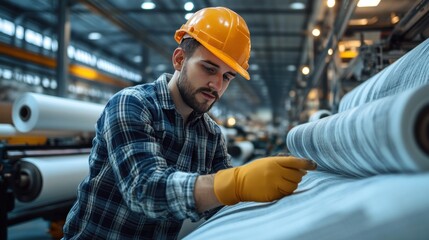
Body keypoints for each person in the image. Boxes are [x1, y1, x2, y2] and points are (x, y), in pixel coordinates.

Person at [62, 6, 316, 240]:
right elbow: (144, 190)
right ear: (180, 59)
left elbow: (222, 207)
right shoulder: (132, 104)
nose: (217, 85)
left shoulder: (211, 134)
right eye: (209, 68)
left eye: (227, 77)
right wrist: (236, 183)